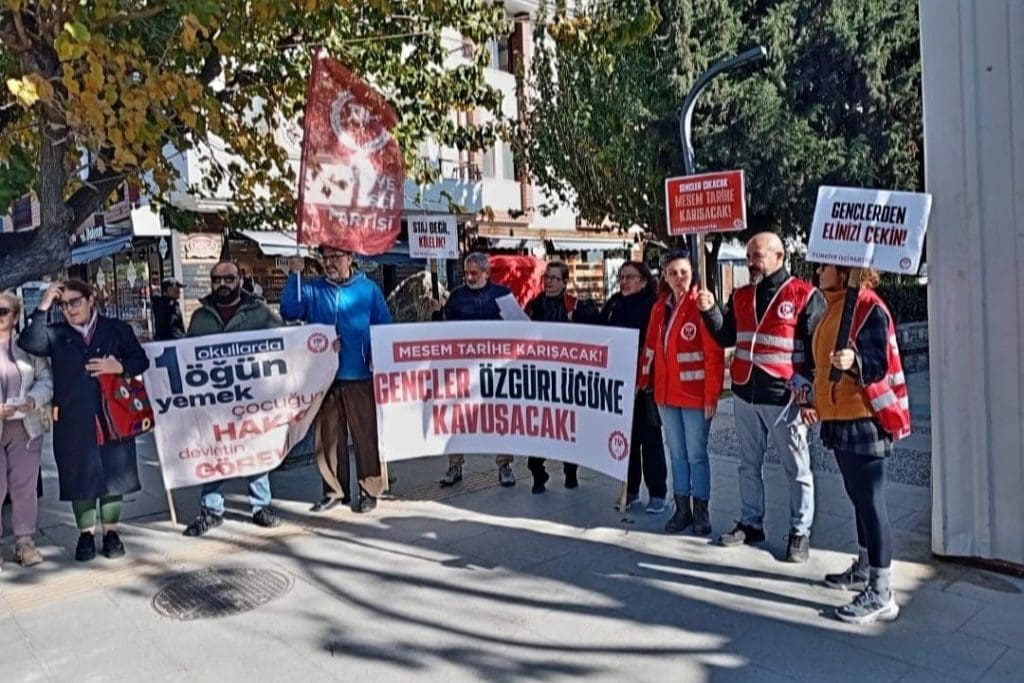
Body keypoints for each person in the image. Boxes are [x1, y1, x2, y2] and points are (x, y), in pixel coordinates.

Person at [697, 232, 825, 562]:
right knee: (747, 465)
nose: (750, 261)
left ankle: (800, 532)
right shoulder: (741, 295)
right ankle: (751, 522)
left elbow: (817, 353)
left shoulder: (805, 295)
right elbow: (726, 334)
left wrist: (811, 399)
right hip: (744, 392)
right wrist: (710, 310)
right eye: (748, 256)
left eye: (757, 256)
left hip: (785, 398)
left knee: (797, 468)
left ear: (779, 257)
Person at [801, 265, 908, 624]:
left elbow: (876, 366)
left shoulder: (869, 307)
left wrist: (854, 361)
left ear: (845, 271)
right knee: (859, 500)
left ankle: (881, 591)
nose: (818, 270)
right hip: (839, 414)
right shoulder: (834, 306)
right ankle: (865, 568)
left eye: (824, 266)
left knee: (871, 503)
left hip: (862, 417)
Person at [18, 280, 150, 562]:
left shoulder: (116, 329)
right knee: (79, 476)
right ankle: (86, 534)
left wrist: (120, 366)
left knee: (115, 475)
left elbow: (140, 359)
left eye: (75, 301)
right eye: (63, 304)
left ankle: (111, 532)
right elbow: (29, 341)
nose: (69, 309)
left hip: (112, 415)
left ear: (91, 300)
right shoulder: (57, 334)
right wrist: (43, 304)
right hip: (73, 419)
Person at [282, 247, 392, 513]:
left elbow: (385, 326)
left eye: (335, 257)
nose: (329, 263)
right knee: (328, 437)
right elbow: (289, 310)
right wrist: (294, 275)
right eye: (325, 258)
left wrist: (378, 357)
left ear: (350, 259)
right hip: (322, 377)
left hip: (360, 373)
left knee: (366, 435)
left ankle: (370, 489)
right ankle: (334, 490)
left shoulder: (369, 290)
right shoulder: (312, 289)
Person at [182, 261, 284, 536]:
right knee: (214, 453)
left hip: (251, 399)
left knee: (255, 450)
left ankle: (261, 506)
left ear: (240, 279)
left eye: (229, 278)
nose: (223, 284)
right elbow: (187, 355)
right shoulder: (201, 317)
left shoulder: (260, 312)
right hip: (214, 403)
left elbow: (286, 341)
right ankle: (211, 510)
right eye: (217, 279)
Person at [640, 251, 724, 535]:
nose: (678, 279)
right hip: (666, 395)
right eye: (672, 273)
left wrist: (712, 395)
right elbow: (651, 347)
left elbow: (714, 355)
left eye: (683, 273)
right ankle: (682, 509)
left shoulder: (700, 304)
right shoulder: (659, 307)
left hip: (694, 396)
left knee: (696, 455)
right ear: (664, 276)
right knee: (676, 454)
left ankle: (701, 511)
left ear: (693, 274)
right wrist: (643, 377)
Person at [430, 252, 520, 488]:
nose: (468, 277)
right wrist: (438, 311)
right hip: (464, 370)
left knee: (500, 416)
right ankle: (455, 465)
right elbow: (443, 329)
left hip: (496, 368)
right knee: (457, 417)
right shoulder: (458, 297)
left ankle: (504, 465)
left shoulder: (502, 295)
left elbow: (519, 328)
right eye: (466, 273)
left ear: (486, 273)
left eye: (473, 273)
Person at [598, 261, 668, 513]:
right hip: (620, 382)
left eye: (630, 277)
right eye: (621, 276)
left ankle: (658, 493)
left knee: (650, 439)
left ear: (643, 280)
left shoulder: (653, 304)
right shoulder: (614, 303)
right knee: (627, 439)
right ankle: (631, 491)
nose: (624, 281)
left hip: (645, 382)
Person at [522, 260, 597, 493]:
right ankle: (537, 474)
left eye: (555, 278)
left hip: (566, 378)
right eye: (547, 278)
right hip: (540, 378)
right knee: (538, 429)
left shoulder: (577, 306)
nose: (549, 282)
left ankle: (570, 473)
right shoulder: (534, 306)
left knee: (567, 428)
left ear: (565, 282)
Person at [0, 292, 52, 569]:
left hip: (25, 426)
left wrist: (34, 399)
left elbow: (46, 379)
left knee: (24, 487)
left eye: (3, 312)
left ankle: (24, 541)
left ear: (16, 316)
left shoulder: (28, 347)